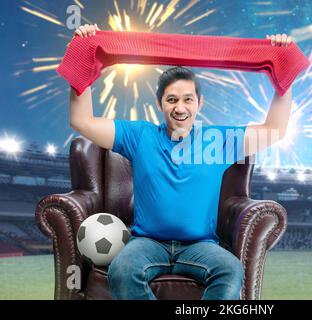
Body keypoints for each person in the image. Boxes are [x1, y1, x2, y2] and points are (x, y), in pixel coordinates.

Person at [70, 24, 293, 300]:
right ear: (160, 103)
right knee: (122, 270)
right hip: (147, 242)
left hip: (200, 246)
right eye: (172, 99)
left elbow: (276, 128)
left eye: (188, 99)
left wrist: (282, 71)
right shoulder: (139, 136)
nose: (180, 107)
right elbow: (82, 121)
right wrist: (84, 58)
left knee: (231, 269)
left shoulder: (219, 141)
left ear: (199, 103)